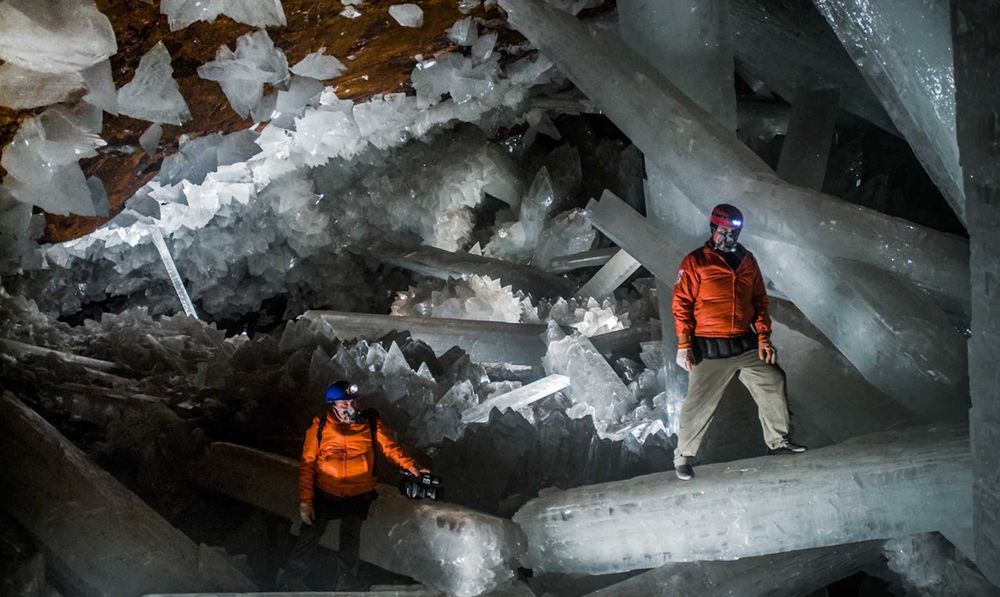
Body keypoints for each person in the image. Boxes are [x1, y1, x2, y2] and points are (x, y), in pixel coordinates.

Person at [671, 204, 806, 481]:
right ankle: (683, 457)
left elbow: (759, 301)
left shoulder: (747, 261)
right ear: (713, 230)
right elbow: (681, 304)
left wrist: (764, 336)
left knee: (773, 379)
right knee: (698, 403)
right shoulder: (696, 262)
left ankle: (779, 443)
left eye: (734, 232)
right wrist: (684, 344)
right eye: (724, 231)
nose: (729, 237)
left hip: (743, 345)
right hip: (709, 349)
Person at [279, 380, 428, 588]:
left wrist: (413, 468)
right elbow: (308, 463)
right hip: (326, 491)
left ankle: (346, 585)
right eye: (343, 403)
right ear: (333, 405)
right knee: (310, 534)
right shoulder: (320, 425)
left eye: (352, 402)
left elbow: (391, 449)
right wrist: (306, 500)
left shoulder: (371, 423)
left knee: (349, 541)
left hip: (359, 494)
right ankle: (291, 579)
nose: (349, 407)